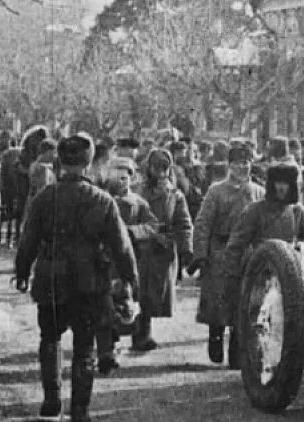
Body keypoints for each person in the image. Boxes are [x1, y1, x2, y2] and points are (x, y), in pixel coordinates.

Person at [13, 134, 138, 422]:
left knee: (50, 339)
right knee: (84, 346)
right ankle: (80, 410)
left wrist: (22, 272)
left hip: (51, 279)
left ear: (61, 161)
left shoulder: (46, 197)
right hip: (89, 282)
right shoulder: (103, 200)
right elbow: (121, 246)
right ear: (88, 163)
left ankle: (52, 400)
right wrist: (131, 280)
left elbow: (28, 239)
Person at [188, 145, 263, 367]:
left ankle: (238, 348)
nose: (243, 167)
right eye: (238, 162)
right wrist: (200, 254)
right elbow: (203, 223)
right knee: (219, 301)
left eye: (246, 162)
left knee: (244, 301)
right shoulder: (216, 191)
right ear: (229, 165)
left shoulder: (258, 192)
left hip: (247, 254)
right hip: (220, 251)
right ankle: (215, 335)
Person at [222, 163, 304, 308]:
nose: (281, 187)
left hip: (293, 278)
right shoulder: (254, 211)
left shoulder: (300, 213)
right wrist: (233, 277)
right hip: (259, 276)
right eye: (277, 182)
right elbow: (236, 246)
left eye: (286, 183)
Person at [133, 148, 193, 352]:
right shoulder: (137, 191)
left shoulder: (175, 195)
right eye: (156, 168)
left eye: (164, 168)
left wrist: (187, 251)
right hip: (141, 248)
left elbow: (184, 224)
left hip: (163, 250)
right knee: (139, 291)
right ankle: (140, 333)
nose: (160, 173)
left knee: (157, 293)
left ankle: (143, 330)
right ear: (148, 168)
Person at [97, 157, 151, 375]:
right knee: (102, 305)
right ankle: (105, 351)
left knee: (124, 306)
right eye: (117, 175)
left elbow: (154, 226)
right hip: (103, 261)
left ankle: (121, 341)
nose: (122, 180)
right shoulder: (100, 201)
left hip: (128, 260)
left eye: (126, 175)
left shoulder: (139, 203)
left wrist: (134, 232)